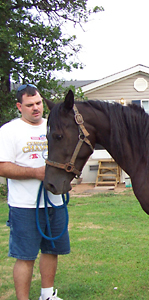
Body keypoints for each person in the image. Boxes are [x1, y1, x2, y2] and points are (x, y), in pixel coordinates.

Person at [0, 84, 70, 300]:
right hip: (24, 205)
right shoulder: (9, 131)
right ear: (19, 107)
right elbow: (2, 166)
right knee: (25, 256)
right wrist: (35, 173)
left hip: (54, 201)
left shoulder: (53, 127)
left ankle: (47, 295)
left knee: (51, 250)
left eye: (39, 103)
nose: (36, 108)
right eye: (30, 105)